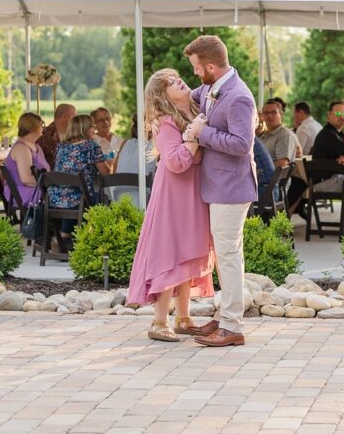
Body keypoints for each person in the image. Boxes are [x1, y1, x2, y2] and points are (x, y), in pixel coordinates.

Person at [128, 69, 215, 342]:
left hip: (194, 192)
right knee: (170, 252)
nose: (178, 81)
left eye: (176, 77)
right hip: (174, 195)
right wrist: (192, 140)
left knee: (189, 251)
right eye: (170, 83)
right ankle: (158, 320)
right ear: (162, 96)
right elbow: (176, 162)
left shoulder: (194, 111)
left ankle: (184, 316)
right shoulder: (165, 122)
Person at [182, 35, 256, 348]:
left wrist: (203, 132)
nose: (195, 75)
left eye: (197, 68)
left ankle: (233, 326)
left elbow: (242, 145)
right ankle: (224, 316)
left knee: (228, 256)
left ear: (211, 66)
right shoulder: (213, 88)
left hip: (231, 186)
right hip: (219, 186)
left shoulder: (239, 97)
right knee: (223, 254)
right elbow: (189, 96)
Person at [48, 114, 111, 242]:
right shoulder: (90, 146)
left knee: (72, 191)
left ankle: (65, 235)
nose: (95, 130)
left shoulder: (61, 146)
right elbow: (105, 172)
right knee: (104, 199)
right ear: (85, 129)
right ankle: (96, 239)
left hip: (54, 198)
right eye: (93, 126)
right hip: (79, 200)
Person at [2, 112, 51, 210]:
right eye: (41, 124)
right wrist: (48, 184)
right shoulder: (22, 148)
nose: (43, 126)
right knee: (58, 196)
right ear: (31, 127)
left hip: (37, 188)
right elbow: (26, 179)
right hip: (22, 191)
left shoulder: (36, 147)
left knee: (61, 195)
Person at [110, 114, 157, 202]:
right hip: (143, 199)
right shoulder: (155, 145)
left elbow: (115, 170)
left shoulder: (125, 143)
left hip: (119, 198)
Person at [259, 99, 298, 169]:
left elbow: (282, 164)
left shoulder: (284, 134)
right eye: (266, 113)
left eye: (273, 112)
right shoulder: (262, 135)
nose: (269, 115)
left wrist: (258, 168)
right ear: (262, 116)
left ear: (281, 114)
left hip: (274, 178)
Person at [37, 103, 77, 169]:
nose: (76, 121)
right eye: (74, 117)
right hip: (52, 176)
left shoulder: (76, 134)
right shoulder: (44, 135)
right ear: (65, 117)